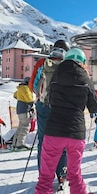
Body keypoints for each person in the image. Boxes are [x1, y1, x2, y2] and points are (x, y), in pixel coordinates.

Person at [17, 47, 97, 194]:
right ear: (81, 62)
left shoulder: (55, 76)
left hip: (54, 131)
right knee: (75, 175)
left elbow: (50, 100)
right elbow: (94, 105)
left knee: (45, 180)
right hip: (76, 134)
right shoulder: (86, 78)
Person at [29, 40, 69, 184]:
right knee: (62, 142)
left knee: (43, 141)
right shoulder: (68, 64)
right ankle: (62, 174)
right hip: (62, 109)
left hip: (43, 106)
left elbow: (32, 85)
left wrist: (41, 96)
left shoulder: (42, 63)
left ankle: (44, 176)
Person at [12, 77, 34, 149]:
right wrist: (32, 103)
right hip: (24, 109)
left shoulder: (20, 88)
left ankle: (15, 143)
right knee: (25, 126)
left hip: (20, 109)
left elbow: (14, 95)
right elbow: (29, 99)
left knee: (21, 126)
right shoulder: (25, 88)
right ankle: (20, 144)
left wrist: (20, 98)